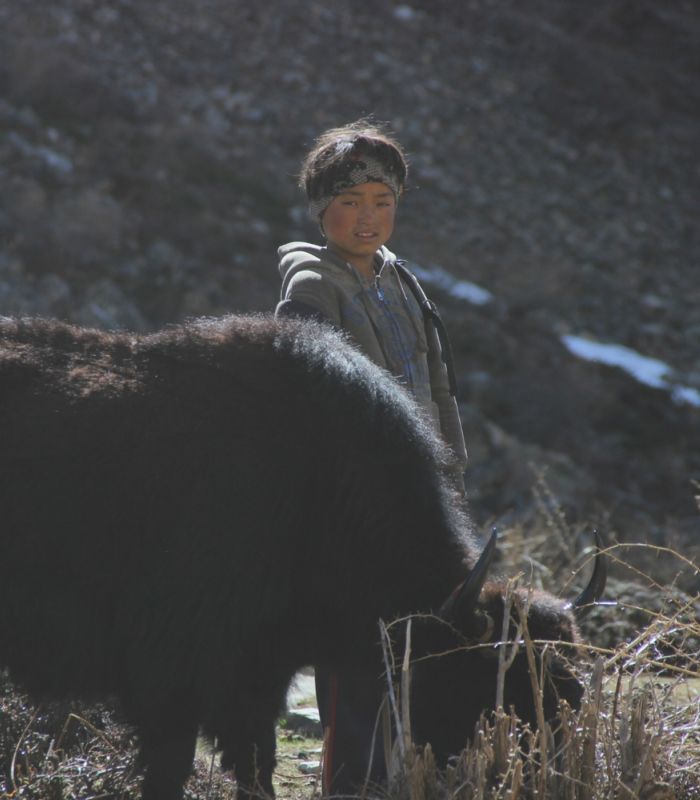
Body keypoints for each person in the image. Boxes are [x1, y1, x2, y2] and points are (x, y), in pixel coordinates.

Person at [274, 120, 467, 796]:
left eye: (383, 201)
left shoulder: (400, 279)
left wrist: (449, 482)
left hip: (418, 507)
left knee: (412, 653)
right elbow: (313, 412)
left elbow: (437, 387)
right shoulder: (311, 288)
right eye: (351, 201)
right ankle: (351, 787)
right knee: (358, 659)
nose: (369, 217)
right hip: (354, 516)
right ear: (320, 208)